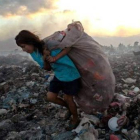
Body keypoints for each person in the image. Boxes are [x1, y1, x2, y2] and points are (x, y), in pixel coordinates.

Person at [43, 21, 116, 114]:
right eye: (68, 28)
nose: (67, 30)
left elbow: (60, 44)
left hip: (92, 67)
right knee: (89, 86)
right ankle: (95, 104)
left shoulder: (76, 38)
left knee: (95, 85)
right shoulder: (77, 37)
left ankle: (99, 104)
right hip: (88, 68)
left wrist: (49, 52)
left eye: (69, 29)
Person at [15, 30, 81, 130]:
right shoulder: (34, 53)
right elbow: (47, 68)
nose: (23, 50)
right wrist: (45, 58)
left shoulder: (49, 44)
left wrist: (55, 58)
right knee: (50, 97)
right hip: (58, 75)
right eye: (21, 48)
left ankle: (75, 118)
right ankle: (70, 109)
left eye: (24, 46)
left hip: (70, 74)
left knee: (68, 98)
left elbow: (68, 48)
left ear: (30, 42)